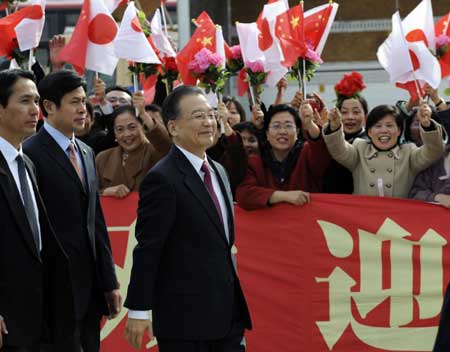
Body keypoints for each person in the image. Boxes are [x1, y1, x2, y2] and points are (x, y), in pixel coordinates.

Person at [124, 85, 252, 352]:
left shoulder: (218, 171)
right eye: (197, 116)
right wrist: (138, 309)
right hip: (185, 320)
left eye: (209, 114)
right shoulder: (162, 178)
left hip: (228, 314)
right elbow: (148, 247)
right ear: (173, 127)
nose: (208, 122)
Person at [23, 70, 121, 352]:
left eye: (84, 102)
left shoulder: (87, 152)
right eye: (74, 102)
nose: (82, 110)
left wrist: (109, 280)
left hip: (90, 289)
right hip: (53, 292)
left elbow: (96, 222)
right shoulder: (29, 154)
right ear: (50, 107)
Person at [0, 69, 74, 351]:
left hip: (41, 315)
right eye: (25, 101)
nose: (35, 110)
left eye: (37, 101)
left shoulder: (26, 164)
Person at [323, 102, 445, 198]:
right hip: (364, 221)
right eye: (378, 126)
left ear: (398, 131)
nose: (384, 130)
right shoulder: (359, 149)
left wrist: (427, 125)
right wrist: (334, 127)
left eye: (389, 125)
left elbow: (433, 151)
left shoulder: (409, 153)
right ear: (369, 132)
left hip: (398, 222)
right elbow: (339, 150)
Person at [235, 103, 330, 210]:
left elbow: (320, 154)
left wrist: (309, 124)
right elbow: (243, 194)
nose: (282, 131)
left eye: (288, 126)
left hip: (307, 222)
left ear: (297, 131)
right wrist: (282, 196)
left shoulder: (306, 152)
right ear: (267, 133)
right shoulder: (255, 161)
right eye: (276, 126)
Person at [96, 104, 171, 198]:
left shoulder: (155, 152)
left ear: (143, 127)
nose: (127, 134)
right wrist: (105, 192)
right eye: (120, 129)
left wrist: (143, 114)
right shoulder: (103, 158)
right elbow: (91, 193)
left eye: (132, 127)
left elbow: (167, 145)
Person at [323, 72, 369, 194]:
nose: (350, 117)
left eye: (356, 112)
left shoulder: (369, 143)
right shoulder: (327, 136)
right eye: (344, 112)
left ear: (366, 116)